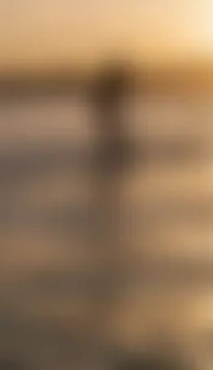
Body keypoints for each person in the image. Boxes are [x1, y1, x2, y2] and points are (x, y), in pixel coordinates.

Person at [88, 60, 135, 336]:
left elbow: (110, 106)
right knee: (112, 130)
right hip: (105, 109)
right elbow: (107, 105)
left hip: (106, 110)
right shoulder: (112, 83)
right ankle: (115, 152)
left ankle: (115, 151)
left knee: (112, 130)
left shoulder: (112, 84)